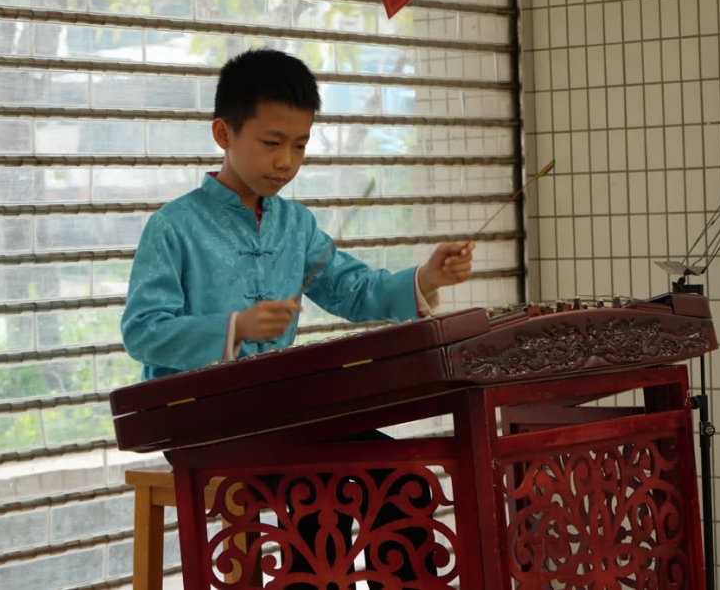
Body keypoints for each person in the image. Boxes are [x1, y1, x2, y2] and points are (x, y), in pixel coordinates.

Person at [120, 47, 475, 586]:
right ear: (223, 133)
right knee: (321, 489)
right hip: (201, 426)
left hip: (281, 418)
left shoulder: (296, 225)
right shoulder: (174, 227)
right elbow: (143, 332)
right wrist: (235, 328)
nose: (286, 161)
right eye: (272, 143)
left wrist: (427, 277)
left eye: (300, 145)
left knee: (404, 479)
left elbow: (355, 291)